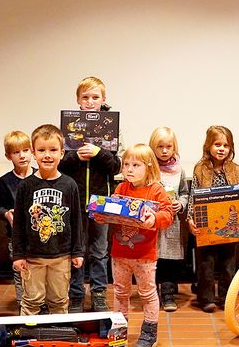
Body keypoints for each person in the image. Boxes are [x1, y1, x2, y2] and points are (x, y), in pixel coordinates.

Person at [92, 144, 173, 347]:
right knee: (120, 292)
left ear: (149, 167)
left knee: (147, 293)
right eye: (126, 164)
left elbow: (168, 215)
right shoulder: (121, 188)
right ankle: (120, 329)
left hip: (145, 255)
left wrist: (154, 218)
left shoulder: (156, 190)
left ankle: (149, 333)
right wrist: (102, 216)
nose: (129, 169)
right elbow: (113, 211)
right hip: (119, 253)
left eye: (135, 165)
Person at [60, 76, 122, 313]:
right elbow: (60, 163)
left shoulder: (111, 128)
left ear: (103, 100)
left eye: (95, 97)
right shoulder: (68, 127)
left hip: (102, 200)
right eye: (85, 97)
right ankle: (75, 293)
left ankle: (98, 292)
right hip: (73, 200)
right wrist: (77, 156)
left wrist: (98, 152)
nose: (90, 102)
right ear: (78, 100)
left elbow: (116, 166)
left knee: (99, 250)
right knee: (75, 249)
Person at [11, 124, 86, 316]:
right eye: (42, 150)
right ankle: (27, 336)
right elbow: (18, 223)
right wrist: (18, 254)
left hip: (61, 256)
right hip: (33, 256)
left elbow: (77, 221)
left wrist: (78, 251)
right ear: (33, 153)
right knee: (32, 300)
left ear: (62, 153)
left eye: (53, 150)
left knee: (59, 300)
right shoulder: (25, 186)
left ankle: (57, 333)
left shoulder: (70, 185)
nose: (47, 155)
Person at [188, 126, 239, 313]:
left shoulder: (235, 169)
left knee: (228, 263)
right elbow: (192, 196)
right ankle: (206, 298)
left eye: (226, 145)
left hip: (230, 225)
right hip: (206, 226)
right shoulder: (200, 169)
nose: (221, 149)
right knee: (206, 263)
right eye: (217, 144)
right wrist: (190, 219)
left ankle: (227, 296)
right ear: (208, 146)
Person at [149, 127, 190, 312]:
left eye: (168, 146)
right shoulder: (147, 168)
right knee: (152, 258)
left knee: (169, 259)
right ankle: (151, 293)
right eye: (160, 147)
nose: (164, 151)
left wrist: (180, 204)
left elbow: (184, 193)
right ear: (153, 147)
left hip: (172, 223)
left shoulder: (179, 170)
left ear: (174, 148)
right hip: (152, 221)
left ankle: (168, 293)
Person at [0, 130, 34, 309]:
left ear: (32, 151)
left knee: (39, 272)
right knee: (20, 271)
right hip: (16, 237)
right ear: (8, 156)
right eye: (16, 152)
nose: (22, 156)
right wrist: (6, 214)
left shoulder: (41, 177)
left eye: (25, 150)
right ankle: (22, 303)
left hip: (40, 237)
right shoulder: (5, 181)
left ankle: (42, 304)